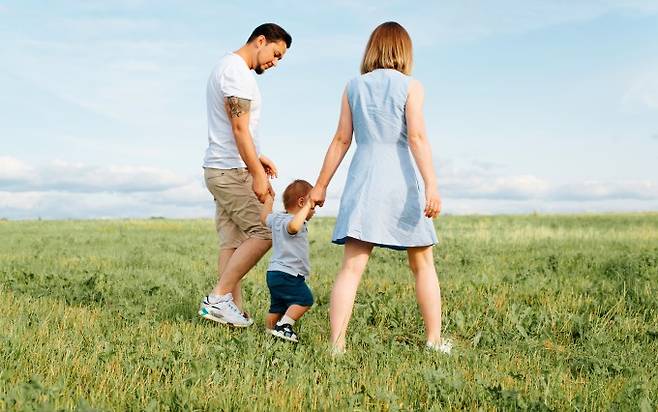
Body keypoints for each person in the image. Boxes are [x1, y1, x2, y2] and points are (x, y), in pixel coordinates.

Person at [309, 22, 452, 354]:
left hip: (365, 179)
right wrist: (432, 184)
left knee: (351, 267)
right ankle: (433, 340)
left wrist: (320, 185)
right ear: (404, 51)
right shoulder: (412, 86)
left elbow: (342, 139)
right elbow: (416, 137)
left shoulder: (353, 86)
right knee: (423, 264)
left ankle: (337, 345)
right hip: (401, 180)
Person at [198, 23, 292, 327]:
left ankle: (230, 309)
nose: (274, 62)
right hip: (229, 170)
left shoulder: (232, 69)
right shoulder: (236, 71)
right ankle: (218, 298)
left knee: (232, 242)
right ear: (260, 40)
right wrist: (257, 175)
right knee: (266, 232)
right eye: (275, 54)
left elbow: (237, 128)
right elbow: (239, 128)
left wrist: (258, 157)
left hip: (221, 166)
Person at [259, 180, 316, 343]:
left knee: (277, 306)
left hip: (274, 273)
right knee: (305, 299)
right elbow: (293, 227)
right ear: (301, 202)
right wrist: (308, 206)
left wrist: (269, 201)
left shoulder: (277, 219)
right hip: (289, 274)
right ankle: (284, 326)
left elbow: (263, 218)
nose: (313, 212)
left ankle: (269, 333)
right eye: (313, 208)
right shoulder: (292, 222)